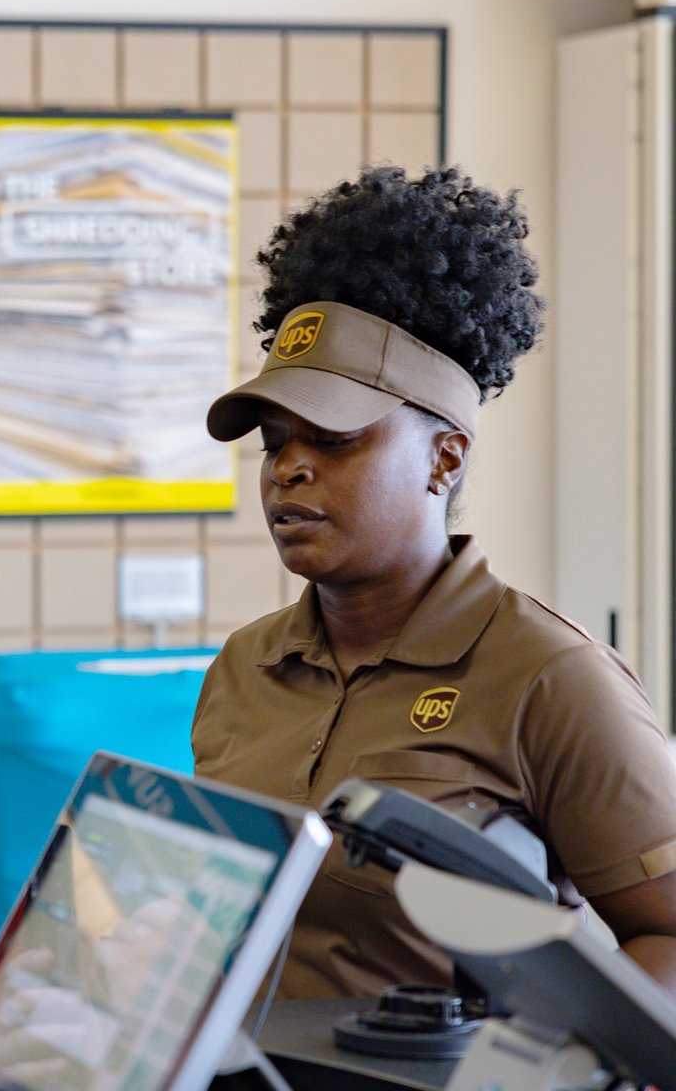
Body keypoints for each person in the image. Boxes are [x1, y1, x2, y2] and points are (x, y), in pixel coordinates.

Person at [193, 165, 676, 999]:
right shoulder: (244, 668)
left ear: (444, 456)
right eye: (275, 443)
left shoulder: (551, 678)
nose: (288, 472)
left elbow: (665, 934)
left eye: (333, 441)